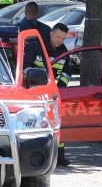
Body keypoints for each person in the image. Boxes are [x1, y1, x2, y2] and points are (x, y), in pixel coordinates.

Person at [23, 22, 71, 166]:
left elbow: (67, 73)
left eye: (63, 38)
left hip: (52, 92)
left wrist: (59, 87)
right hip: (33, 92)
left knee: (57, 121)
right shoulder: (36, 46)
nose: (60, 41)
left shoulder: (64, 52)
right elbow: (25, 68)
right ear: (51, 34)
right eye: (58, 37)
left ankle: (60, 156)